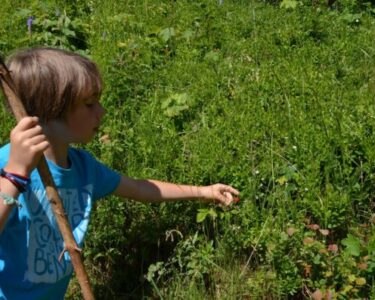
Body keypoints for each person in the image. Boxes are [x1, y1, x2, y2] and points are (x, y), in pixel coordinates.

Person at [0, 47, 239, 299]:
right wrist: (16, 174)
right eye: (89, 104)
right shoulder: (7, 164)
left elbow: (139, 188)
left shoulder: (83, 167)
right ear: (49, 110)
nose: (101, 112)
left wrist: (203, 191)